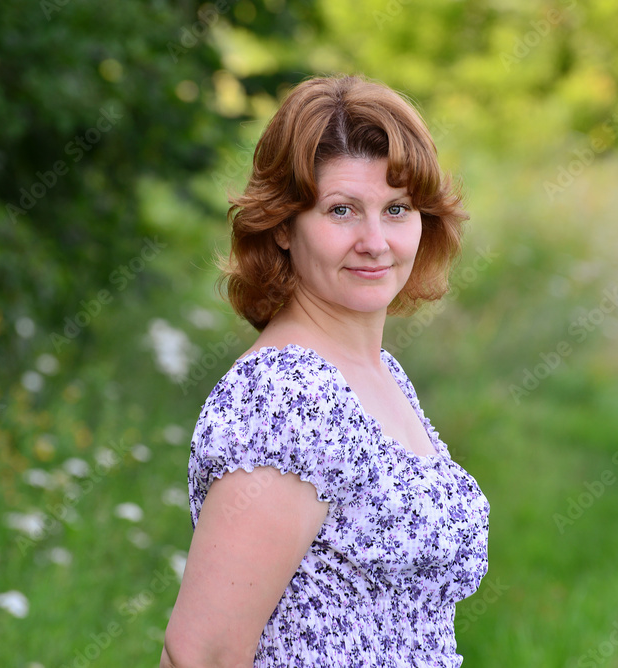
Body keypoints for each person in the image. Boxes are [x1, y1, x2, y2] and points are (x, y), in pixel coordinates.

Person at [159, 74, 489, 667]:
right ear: (283, 225)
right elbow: (200, 653)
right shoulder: (286, 397)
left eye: (397, 209)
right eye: (342, 211)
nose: (375, 241)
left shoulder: (377, 372)